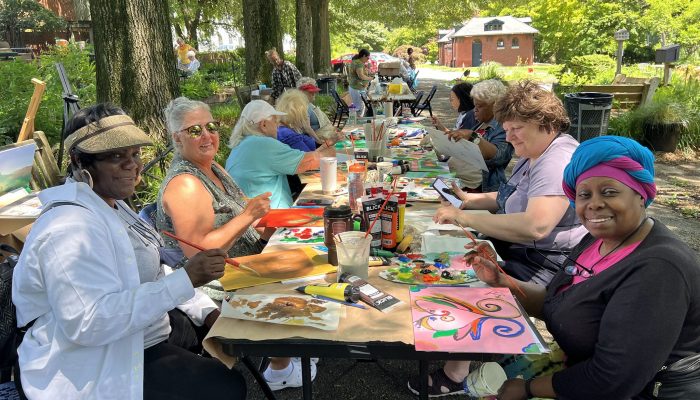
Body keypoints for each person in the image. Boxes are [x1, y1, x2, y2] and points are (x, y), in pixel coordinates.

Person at [12, 104, 246, 399]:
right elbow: (89, 324)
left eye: (134, 154)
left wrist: (206, 310)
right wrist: (187, 279)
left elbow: (157, 269)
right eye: (115, 156)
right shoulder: (68, 229)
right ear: (77, 160)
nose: (131, 165)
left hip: (141, 330)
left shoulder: (112, 203)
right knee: (225, 389)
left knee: (230, 337)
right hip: (89, 363)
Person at [470, 135, 700, 400]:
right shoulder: (598, 241)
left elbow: (611, 381)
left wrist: (527, 388)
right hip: (580, 367)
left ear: (641, 194)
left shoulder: (659, 269)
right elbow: (557, 303)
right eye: (584, 194)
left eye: (610, 191)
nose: (594, 204)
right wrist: (503, 281)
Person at [407, 80, 587, 396]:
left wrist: (462, 215)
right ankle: (462, 349)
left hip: (547, 263)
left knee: (467, 277)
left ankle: (458, 372)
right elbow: (509, 196)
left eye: (517, 128)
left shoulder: (557, 159)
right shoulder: (538, 151)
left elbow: (537, 226)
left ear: (545, 123)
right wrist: (466, 199)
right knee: (451, 255)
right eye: (507, 128)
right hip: (523, 248)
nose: (509, 135)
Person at [156, 97, 271, 301]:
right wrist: (248, 216)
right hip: (220, 291)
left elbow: (248, 214)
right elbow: (199, 253)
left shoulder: (213, 167)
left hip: (251, 268)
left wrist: (281, 224)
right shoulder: (185, 183)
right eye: (195, 130)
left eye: (211, 127)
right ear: (177, 138)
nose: (207, 136)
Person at [226, 100, 336, 209]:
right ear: (263, 124)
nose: (278, 126)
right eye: (275, 122)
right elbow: (309, 162)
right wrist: (332, 151)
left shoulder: (240, 145)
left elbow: (306, 159)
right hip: (269, 219)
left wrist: (326, 146)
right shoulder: (264, 144)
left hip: (249, 215)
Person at [433, 79, 514, 192]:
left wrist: (473, 137)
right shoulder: (482, 122)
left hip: (477, 188)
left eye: (479, 106)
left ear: (495, 106)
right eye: (474, 105)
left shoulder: (503, 127)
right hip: (457, 179)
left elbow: (499, 157)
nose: (475, 110)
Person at [296, 77, 337, 142]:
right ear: (302, 92)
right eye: (311, 92)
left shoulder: (307, 103)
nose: (314, 94)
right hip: (316, 140)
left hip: (325, 135)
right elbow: (307, 128)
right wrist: (319, 141)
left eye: (314, 91)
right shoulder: (302, 106)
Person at [347, 49, 373, 116]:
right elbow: (361, 76)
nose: (367, 59)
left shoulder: (356, 61)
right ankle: (358, 123)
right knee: (358, 108)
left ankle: (357, 121)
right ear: (364, 56)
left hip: (354, 87)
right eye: (367, 58)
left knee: (357, 107)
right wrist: (370, 78)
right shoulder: (359, 63)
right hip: (357, 88)